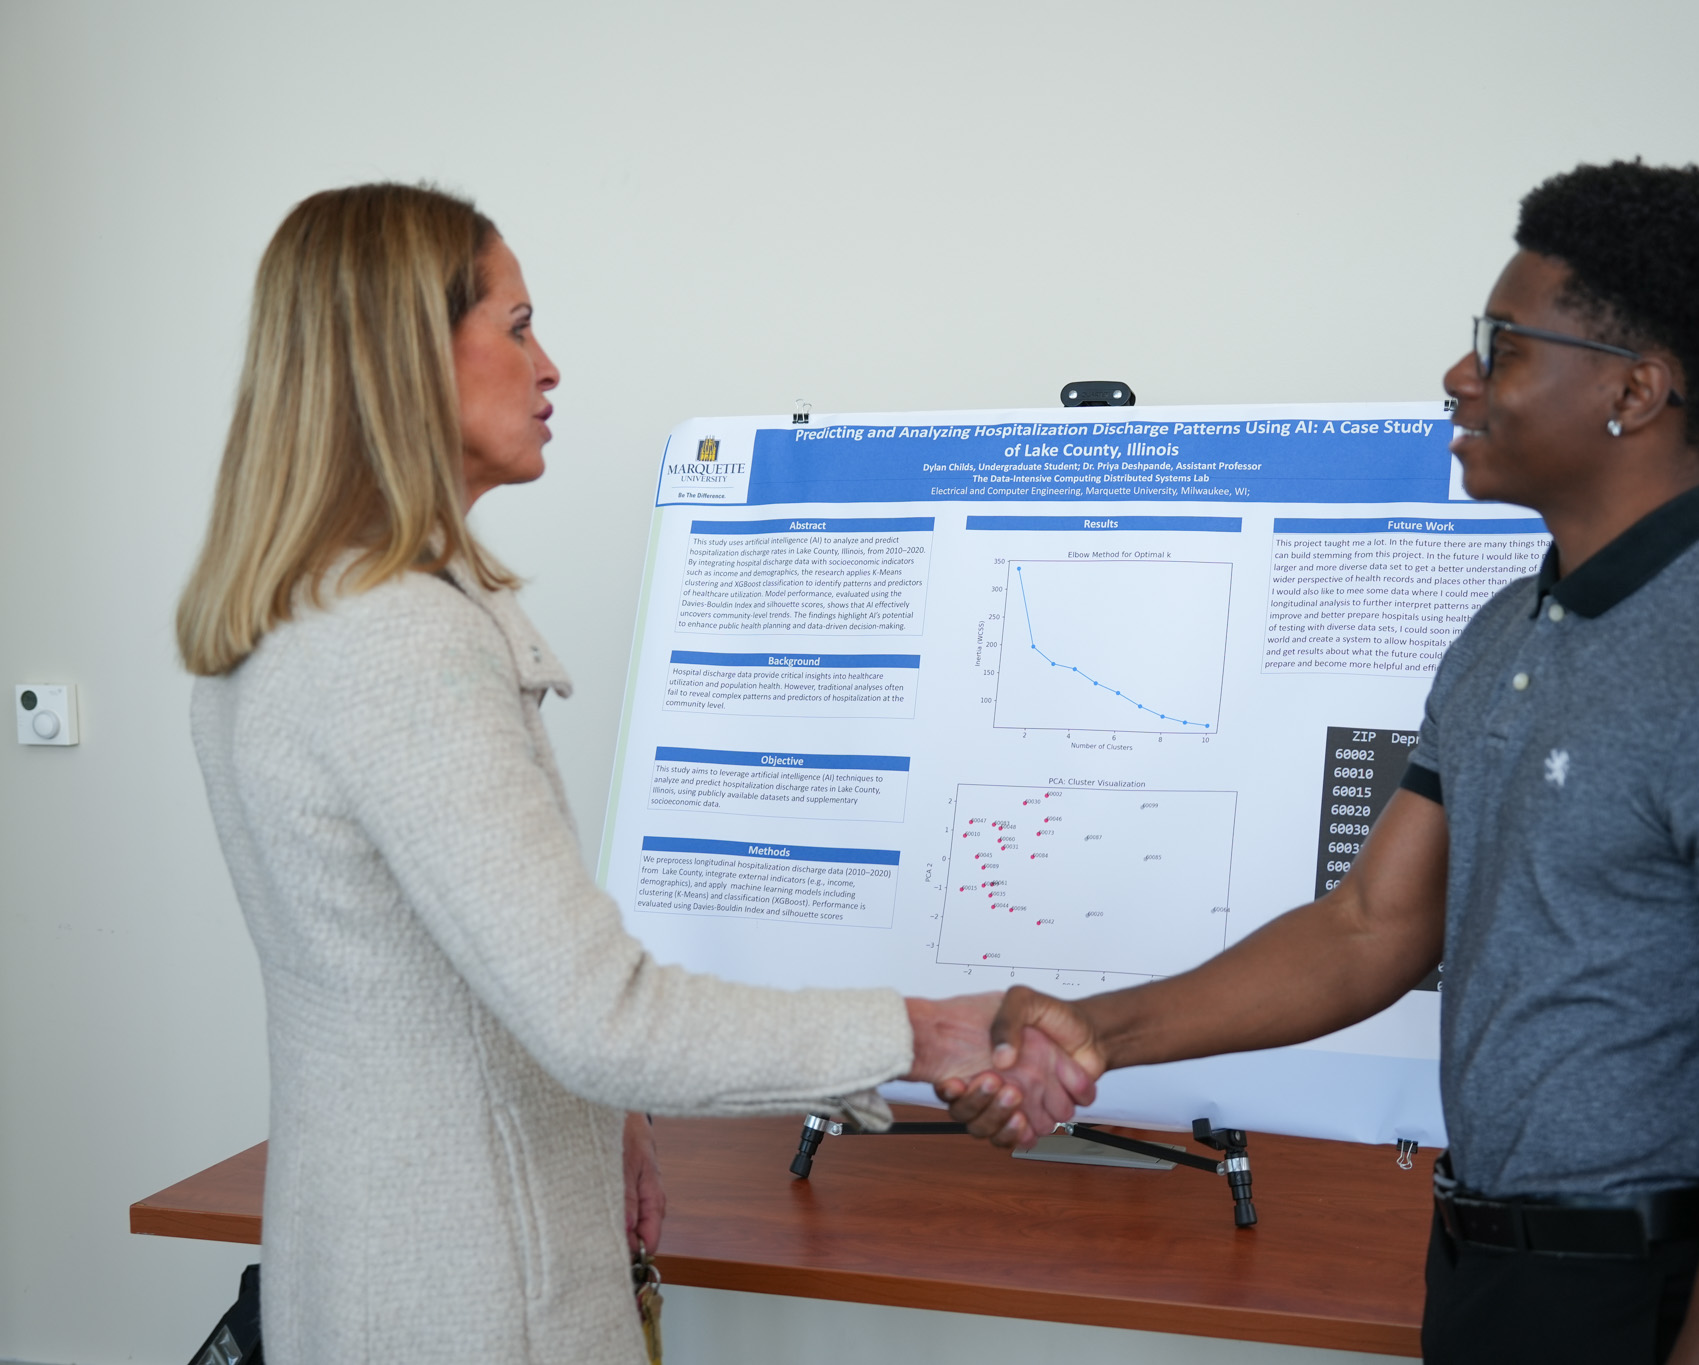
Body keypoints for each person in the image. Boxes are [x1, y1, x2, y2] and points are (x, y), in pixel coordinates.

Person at [943, 162, 1699, 1365]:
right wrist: (1091, 1031)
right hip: (1485, 1276)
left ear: (1635, 388)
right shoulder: (1508, 629)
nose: (1460, 375)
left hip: (1654, 1302)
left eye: (1500, 345)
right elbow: (1366, 929)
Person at [175, 183, 1085, 1365]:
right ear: (405, 355)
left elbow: (447, 987)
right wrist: (921, 1034)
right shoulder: (402, 642)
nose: (547, 365)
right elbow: (602, 1016)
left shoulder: (289, 614)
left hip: (365, 1265)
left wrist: (610, 1119)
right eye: (514, 327)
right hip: (478, 1299)